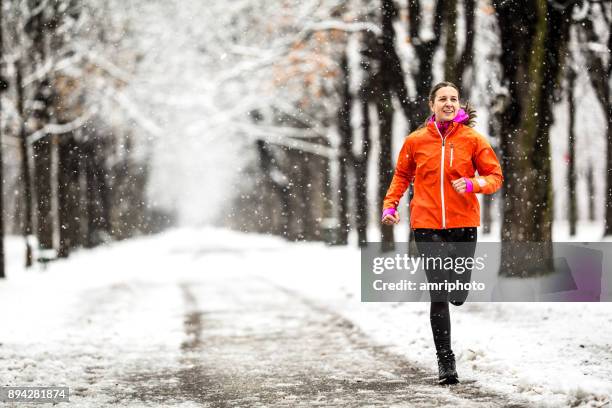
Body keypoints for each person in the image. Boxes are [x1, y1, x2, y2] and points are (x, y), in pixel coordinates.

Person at [381, 81, 503, 385]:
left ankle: (459, 290)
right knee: (438, 291)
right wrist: (390, 205)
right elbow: (401, 175)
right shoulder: (416, 141)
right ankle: (445, 361)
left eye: (454, 99)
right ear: (432, 105)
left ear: (459, 104)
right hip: (427, 225)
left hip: (463, 224)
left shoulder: (473, 140)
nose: (449, 103)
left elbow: (495, 176)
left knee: (457, 294)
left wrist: (474, 184)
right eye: (443, 99)